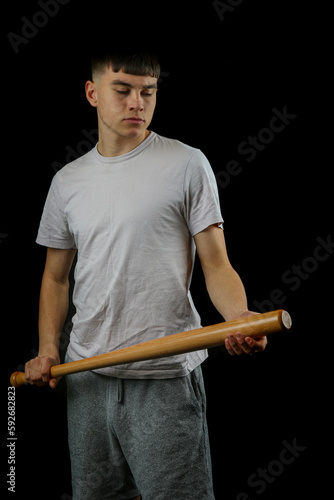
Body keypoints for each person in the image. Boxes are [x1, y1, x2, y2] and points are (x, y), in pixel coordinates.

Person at [25, 47, 267, 500]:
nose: (137, 102)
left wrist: (240, 318)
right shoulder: (68, 182)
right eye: (123, 90)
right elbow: (56, 279)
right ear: (92, 93)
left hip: (164, 379)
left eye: (148, 92)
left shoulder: (186, 163)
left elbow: (216, 263)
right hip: (86, 379)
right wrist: (46, 351)